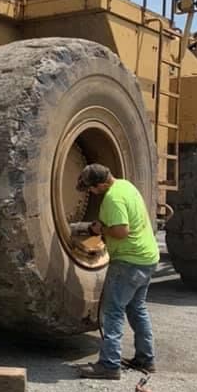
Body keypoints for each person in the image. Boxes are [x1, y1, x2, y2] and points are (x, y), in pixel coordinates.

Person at [74, 163, 160, 380]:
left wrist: (100, 229)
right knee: (137, 309)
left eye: (91, 188)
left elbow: (121, 231)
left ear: (102, 183)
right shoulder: (126, 186)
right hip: (147, 258)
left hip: (129, 262)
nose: (91, 192)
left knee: (112, 311)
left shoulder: (113, 198)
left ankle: (109, 364)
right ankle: (146, 358)